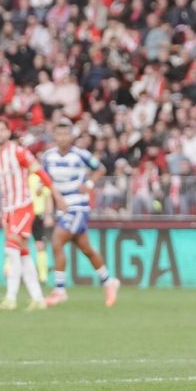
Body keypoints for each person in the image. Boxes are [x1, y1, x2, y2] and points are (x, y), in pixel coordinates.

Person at [0, 117, 65, 311]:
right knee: (23, 252)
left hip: (23, 205)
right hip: (7, 209)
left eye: (2, 129)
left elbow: (40, 172)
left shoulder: (18, 152)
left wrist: (57, 195)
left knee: (11, 248)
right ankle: (38, 298)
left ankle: (11, 298)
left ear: (8, 132)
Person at [42, 119, 120, 307]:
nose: (62, 137)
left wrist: (90, 184)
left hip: (77, 206)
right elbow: (45, 179)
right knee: (86, 249)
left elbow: (100, 168)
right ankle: (108, 281)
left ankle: (59, 290)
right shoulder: (48, 156)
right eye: (59, 134)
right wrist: (43, 193)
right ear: (54, 136)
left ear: (71, 135)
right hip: (62, 208)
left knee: (57, 240)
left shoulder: (81, 154)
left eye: (65, 134)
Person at [28, 171, 52, 282]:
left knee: (40, 245)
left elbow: (47, 196)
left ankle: (43, 275)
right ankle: (10, 269)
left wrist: (48, 215)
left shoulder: (39, 177)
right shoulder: (23, 176)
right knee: (18, 243)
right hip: (24, 214)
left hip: (37, 215)